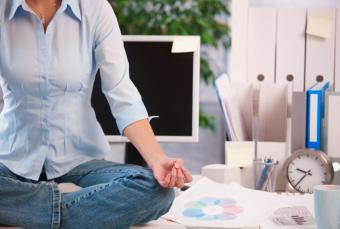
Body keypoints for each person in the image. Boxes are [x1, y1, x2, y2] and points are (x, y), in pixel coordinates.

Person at [0, 0, 192, 228]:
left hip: (79, 160)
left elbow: (123, 95)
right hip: (12, 158)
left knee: (156, 190)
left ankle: (27, 211)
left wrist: (158, 160)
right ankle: (74, 211)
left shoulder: (95, 9)